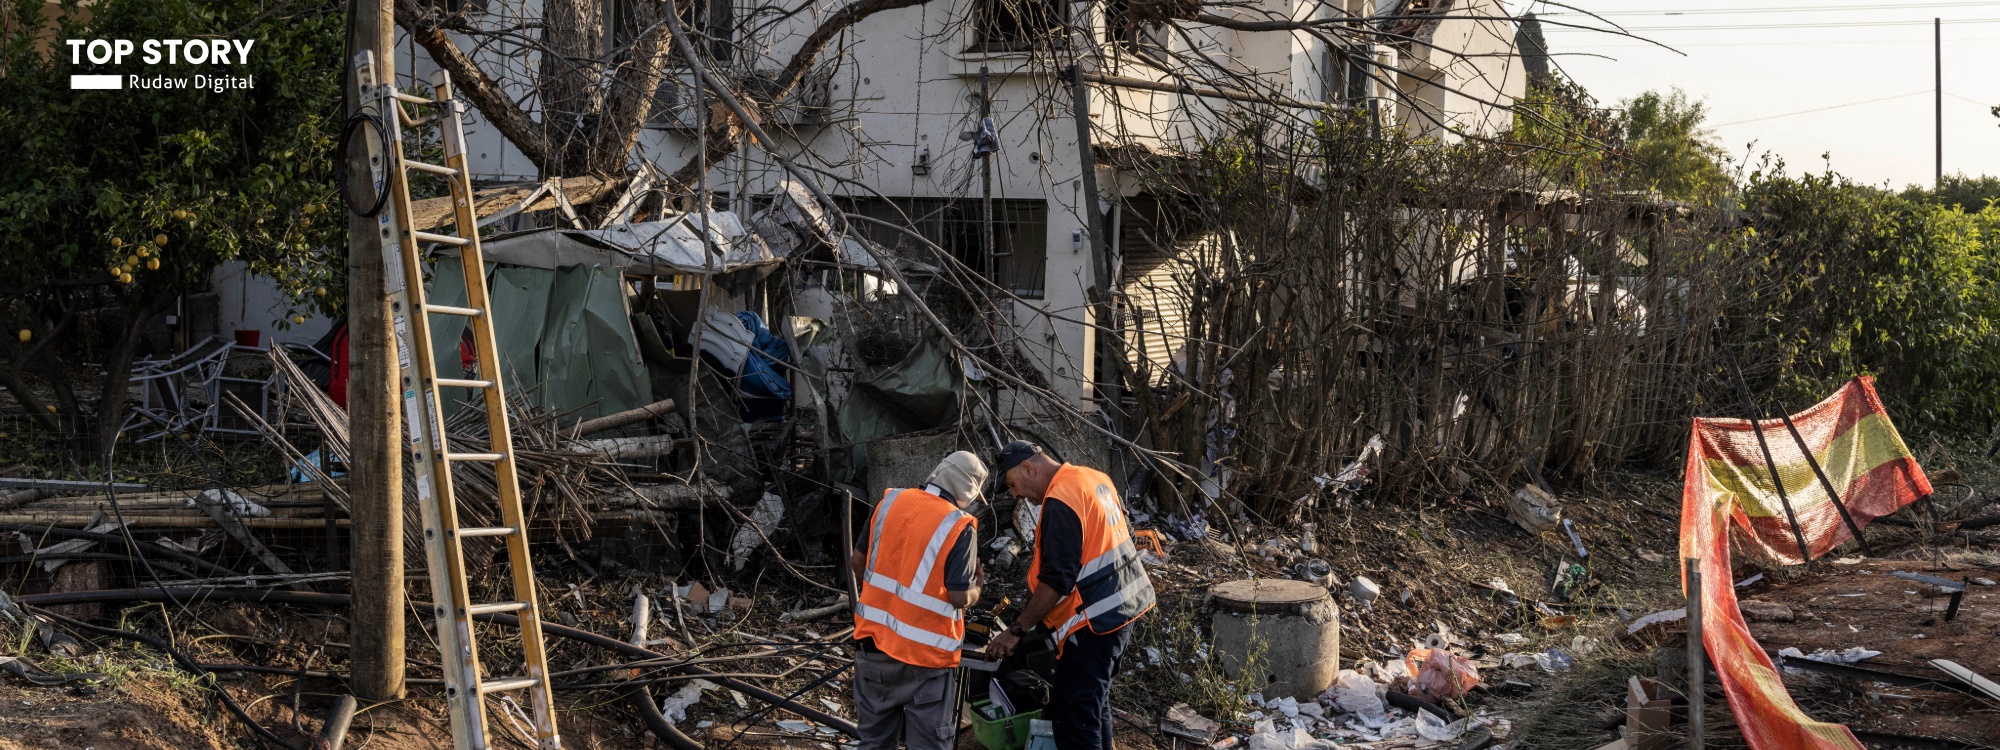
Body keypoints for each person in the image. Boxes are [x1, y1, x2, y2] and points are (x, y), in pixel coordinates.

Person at [983, 441, 1155, 750]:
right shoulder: (1093, 478)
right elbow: (1125, 535)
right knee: (1093, 705)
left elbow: (1056, 580)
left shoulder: (1061, 500)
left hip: (1093, 624)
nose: (1015, 495)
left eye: (1012, 485)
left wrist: (1016, 630)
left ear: (1028, 468)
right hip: (1123, 610)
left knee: (1074, 721)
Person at [849, 451, 988, 750]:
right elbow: (960, 596)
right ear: (968, 491)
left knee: (873, 744)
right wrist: (978, 586)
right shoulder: (959, 524)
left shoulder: (890, 502)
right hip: (925, 661)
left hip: (874, 649)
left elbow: (857, 562)